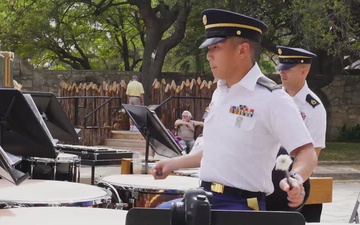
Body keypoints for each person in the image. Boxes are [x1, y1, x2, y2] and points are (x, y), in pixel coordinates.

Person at [152, 8, 317, 211]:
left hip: (242, 206)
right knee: (150, 218)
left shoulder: (273, 98)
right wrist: (173, 164)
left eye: (216, 48)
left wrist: (296, 179)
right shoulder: (220, 92)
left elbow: (307, 152)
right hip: (204, 198)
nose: (209, 56)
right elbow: (215, 150)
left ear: (242, 50)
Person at [266, 46, 327, 221]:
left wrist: (294, 182)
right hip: (265, 177)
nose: (282, 73)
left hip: (293, 182)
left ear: (304, 71)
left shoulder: (314, 108)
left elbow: (313, 153)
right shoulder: (272, 97)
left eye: (288, 69)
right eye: (280, 68)